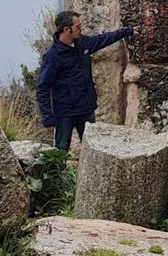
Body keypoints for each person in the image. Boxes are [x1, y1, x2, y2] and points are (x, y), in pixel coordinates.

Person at [35, 9, 134, 152]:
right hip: (64, 113)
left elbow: (103, 39)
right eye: (77, 27)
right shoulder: (52, 56)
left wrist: (127, 31)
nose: (81, 29)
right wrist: (47, 117)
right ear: (66, 30)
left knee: (93, 149)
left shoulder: (83, 43)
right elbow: (42, 87)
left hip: (86, 109)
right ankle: (56, 175)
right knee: (60, 151)